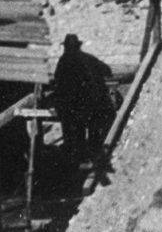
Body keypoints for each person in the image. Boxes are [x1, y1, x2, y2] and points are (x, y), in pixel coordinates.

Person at [47, 34, 115, 174]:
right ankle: (95, 157)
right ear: (78, 46)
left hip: (77, 106)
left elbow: (58, 82)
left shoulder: (64, 60)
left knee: (75, 131)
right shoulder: (89, 58)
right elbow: (107, 71)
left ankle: (80, 163)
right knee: (93, 130)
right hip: (95, 103)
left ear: (65, 47)